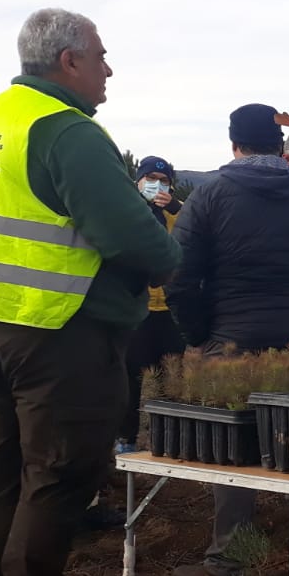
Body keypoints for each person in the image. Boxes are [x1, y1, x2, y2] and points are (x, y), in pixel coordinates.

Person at [0, 9, 181, 576]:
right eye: (100, 56)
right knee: (62, 468)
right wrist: (167, 256)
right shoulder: (67, 132)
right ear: (68, 62)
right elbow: (136, 239)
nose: (108, 68)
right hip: (56, 331)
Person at [166, 103, 289, 576]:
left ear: (234, 145)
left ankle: (229, 561)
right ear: (281, 146)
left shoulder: (208, 197)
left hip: (231, 342)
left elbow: (180, 278)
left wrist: (202, 335)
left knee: (233, 450)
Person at [118, 155, 187, 453]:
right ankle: (126, 439)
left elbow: (195, 232)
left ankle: (168, 439)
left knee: (171, 377)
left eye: (163, 181)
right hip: (137, 310)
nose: (157, 185)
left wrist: (174, 207)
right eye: (150, 179)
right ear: (138, 181)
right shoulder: (126, 209)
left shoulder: (179, 213)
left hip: (171, 311)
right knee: (131, 377)